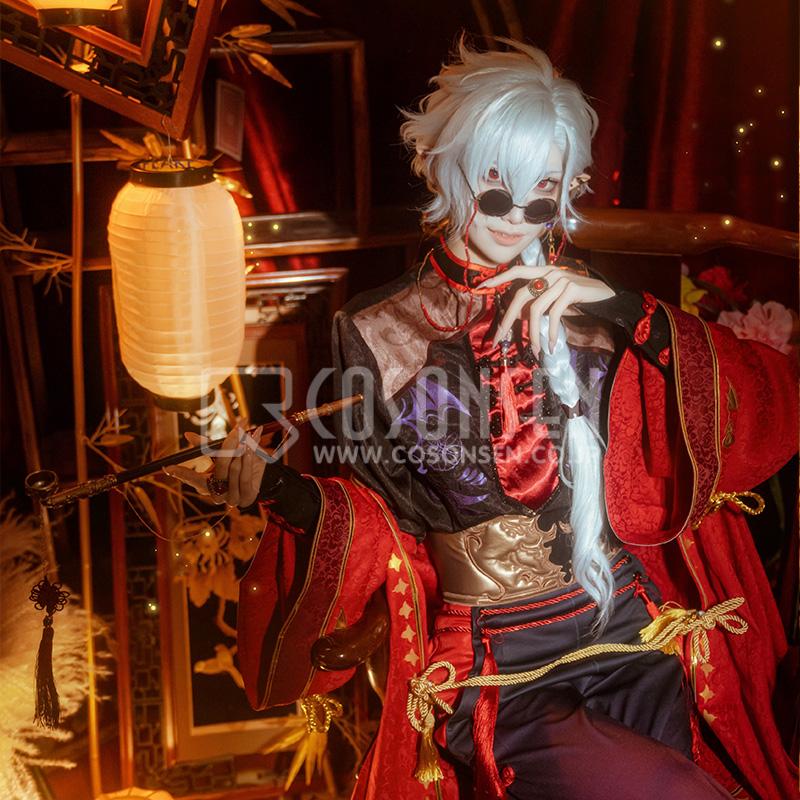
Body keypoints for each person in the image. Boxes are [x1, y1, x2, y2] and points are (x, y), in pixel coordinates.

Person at [167, 39, 798, 800]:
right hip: (503, 660)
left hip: (631, 625)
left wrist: (632, 312)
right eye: (496, 187)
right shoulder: (373, 330)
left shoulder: (590, 305)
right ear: (445, 166)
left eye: (543, 194)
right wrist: (276, 489)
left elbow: (760, 406)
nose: (516, 217)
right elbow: (381, 517)